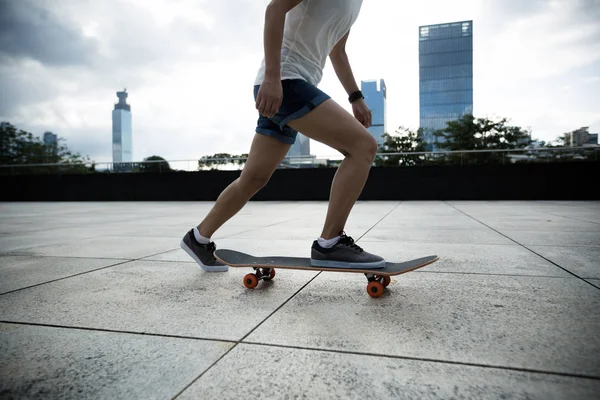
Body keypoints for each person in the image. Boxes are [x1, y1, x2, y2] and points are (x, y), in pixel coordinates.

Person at [181, 0, 385, 272]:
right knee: (363, 147)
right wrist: (272, 77)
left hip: (293, 85)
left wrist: (355, 96)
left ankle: (198, 237)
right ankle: (330, 243)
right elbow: (274, 9)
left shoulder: (355, 4)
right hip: (285, 83)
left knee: (253, 178)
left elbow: (338, 51)